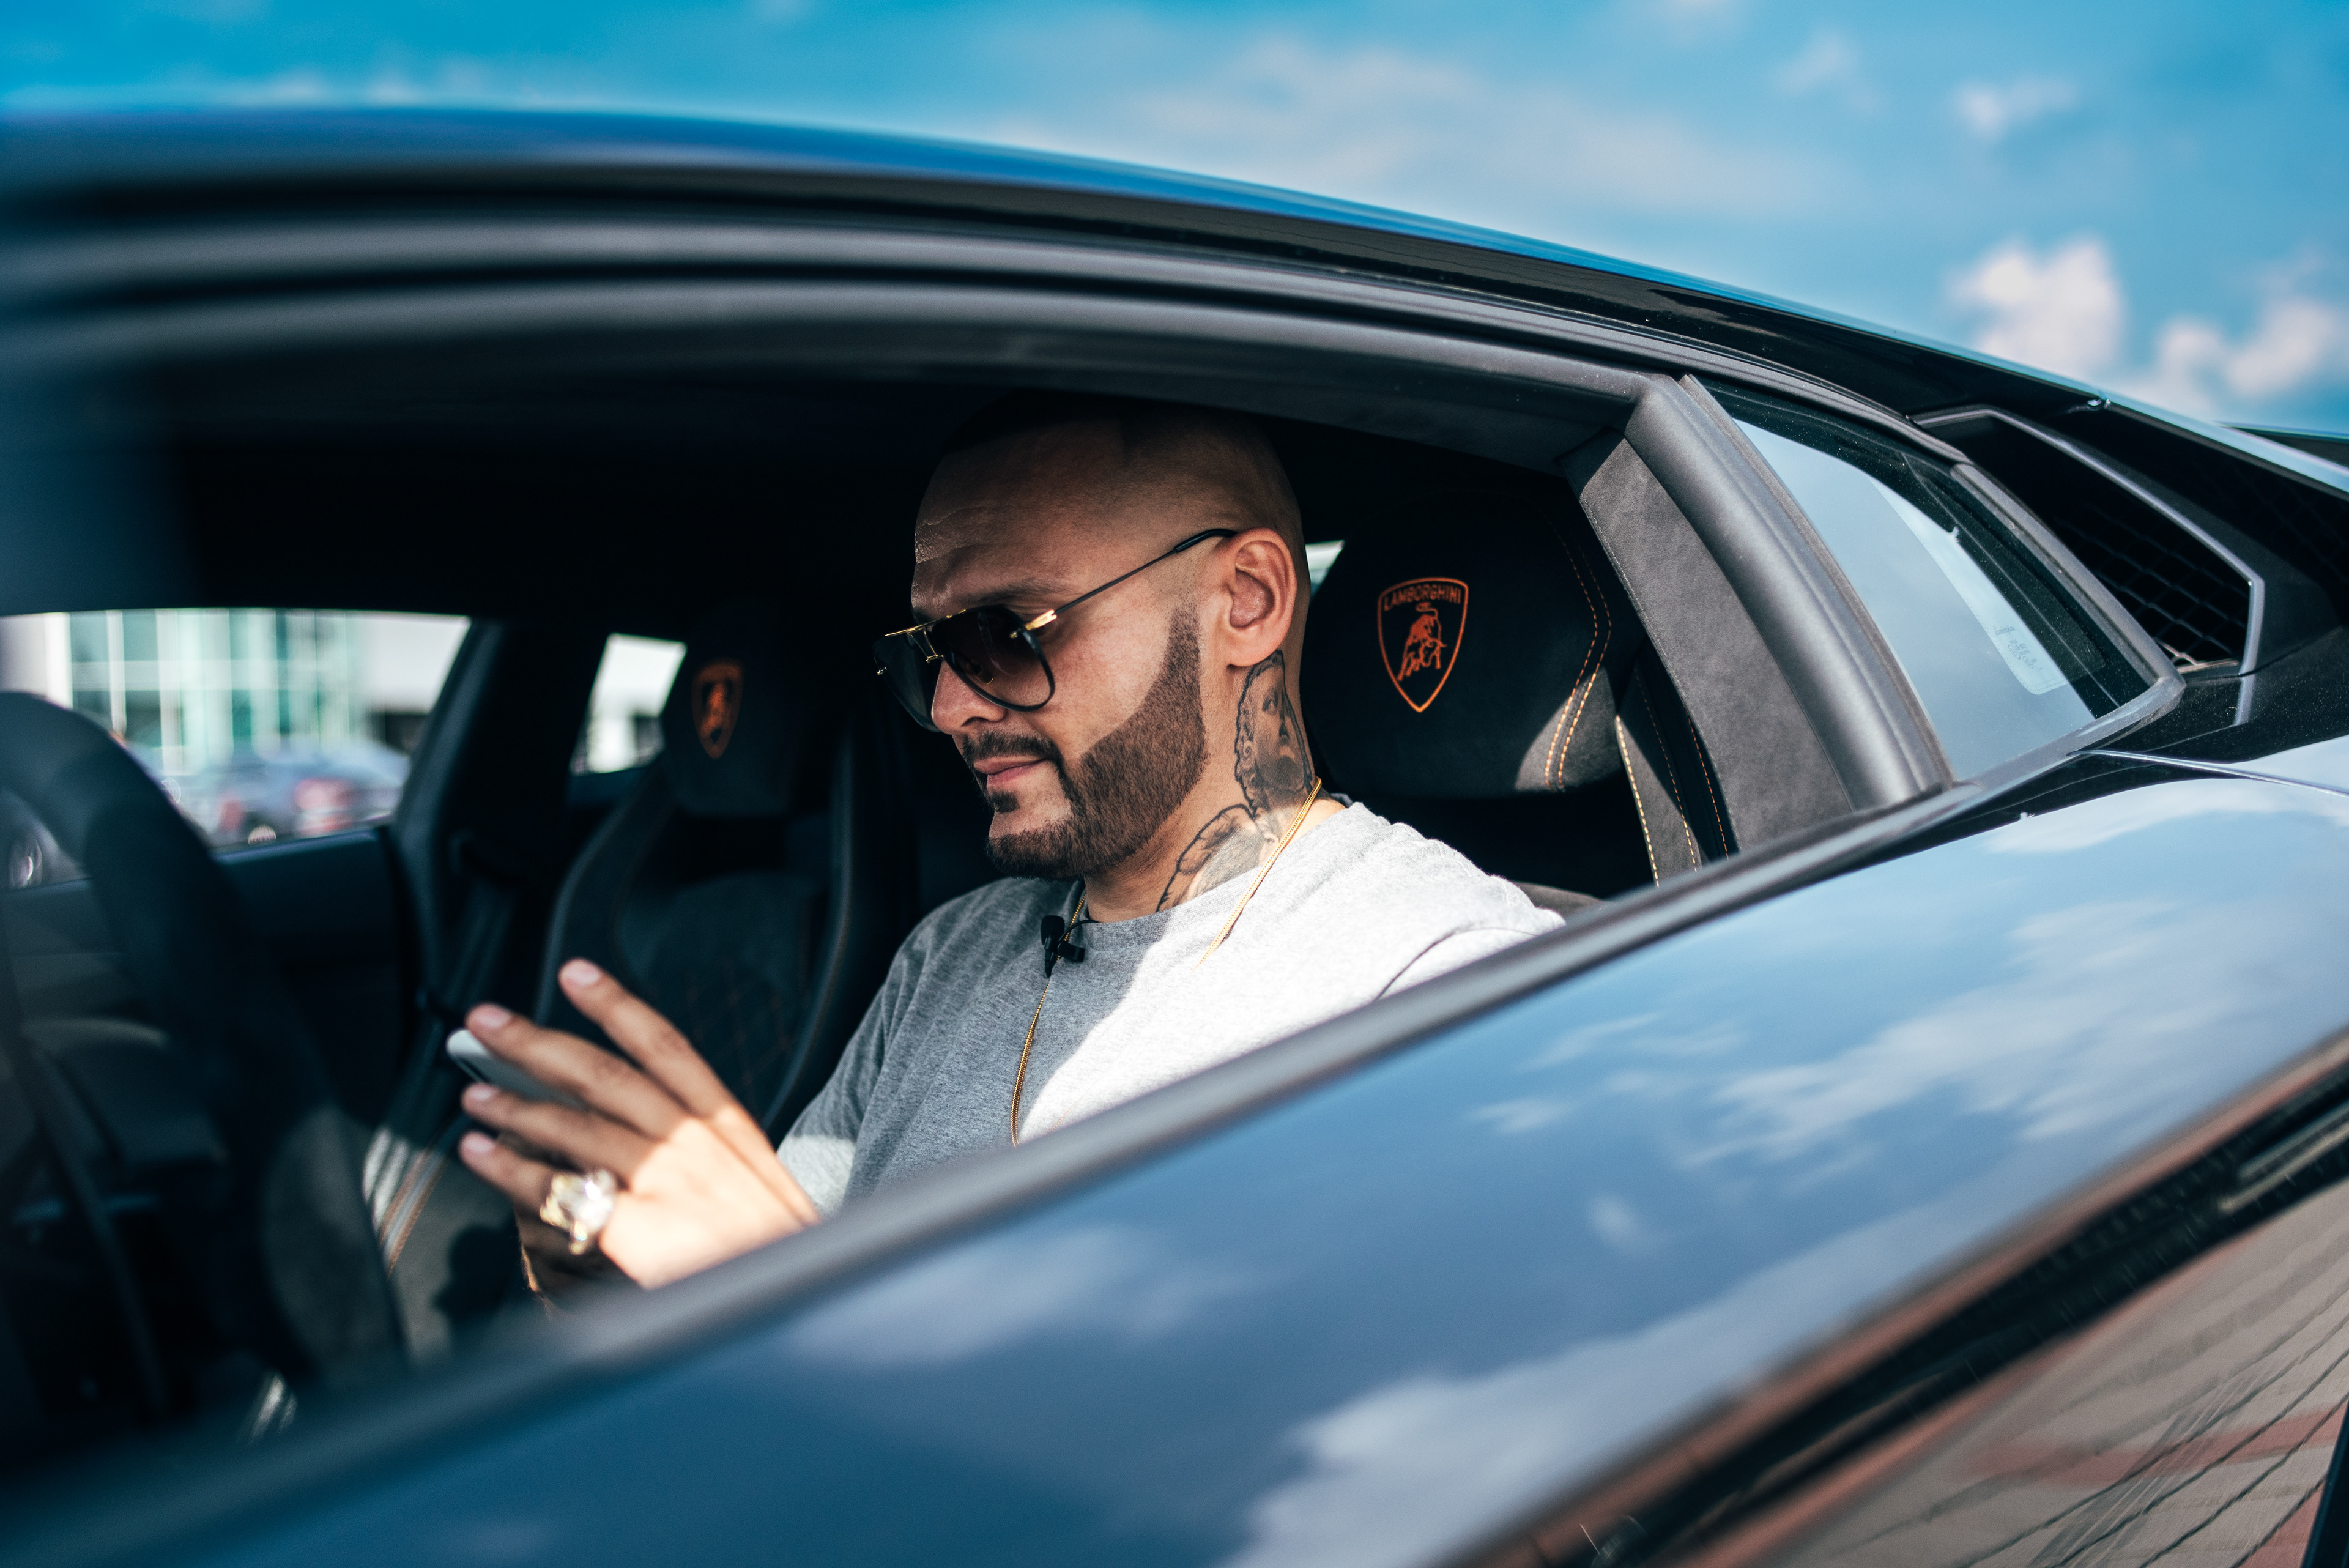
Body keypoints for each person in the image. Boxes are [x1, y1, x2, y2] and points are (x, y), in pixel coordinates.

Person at [456, 394, 1562, 1292]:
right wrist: (613, 1262)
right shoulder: (952, 952)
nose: (949, 707)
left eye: (1002, 633)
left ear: (1248, 599)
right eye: (931, 651)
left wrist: (786, 1310)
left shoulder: (1439, 987)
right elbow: (762, 1281)